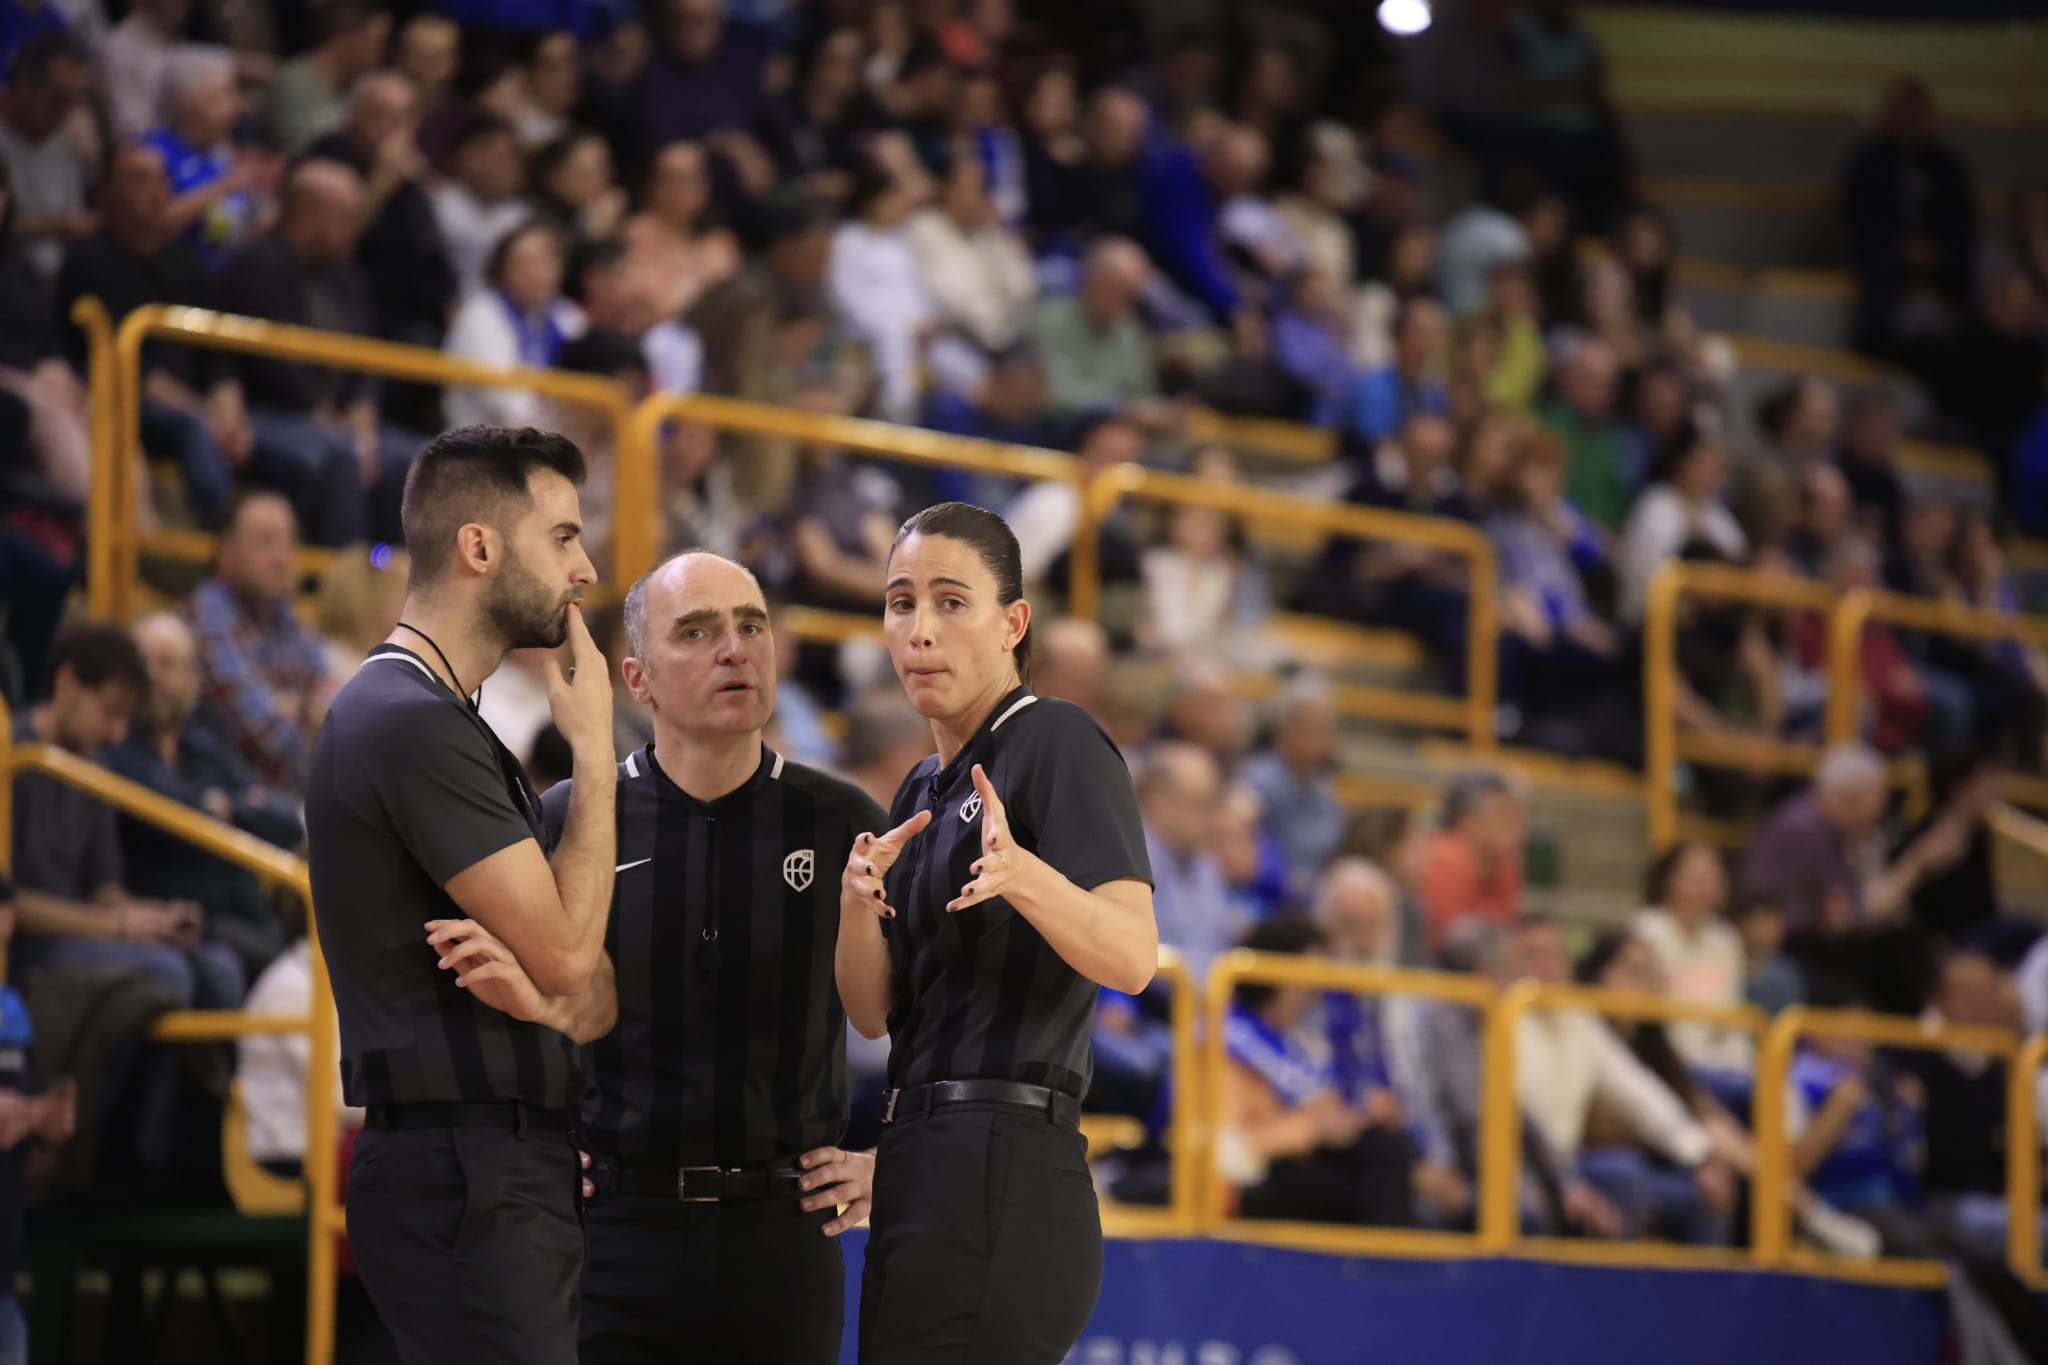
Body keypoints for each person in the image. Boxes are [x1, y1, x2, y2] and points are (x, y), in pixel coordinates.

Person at [436, 551, 887, 1362]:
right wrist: (526, 1145)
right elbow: (487, 1006)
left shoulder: (842, 818)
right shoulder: (570, 818)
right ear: (637, 680)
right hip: (610, 1227)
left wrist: (889, 1160)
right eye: (699, 630)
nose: (735, 648)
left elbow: (930, 1012)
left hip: (782, 1234)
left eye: (752, 626)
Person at [304, 425, 619, 1365]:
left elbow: (589, 996)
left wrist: (558, 992)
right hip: (463, 1169)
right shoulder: (406, 721)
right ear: (478, 546)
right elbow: (571, 958)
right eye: (563, 536)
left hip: (493, 1167)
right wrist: (595, 755)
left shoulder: (441, 719)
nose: (588, 569)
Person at [839, 502, 1156, 1363]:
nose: (920, 629)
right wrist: (855, 904)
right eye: (901, 603)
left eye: (951, 601)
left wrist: (1028, 877)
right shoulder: (916, 791)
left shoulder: (1056, 738)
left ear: (1013, 622)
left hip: (1006, 1162)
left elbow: (1131, 956)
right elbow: (874, 1015)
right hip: (918, 1159)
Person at [10, 623, 246, 1007]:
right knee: (166, 973)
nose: (118, 734)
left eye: (126, 720)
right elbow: (11, 902)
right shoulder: (13, 758)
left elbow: (105, 888)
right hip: (29, 947)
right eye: (110, 713)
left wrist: (153, 918)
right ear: (67, 682)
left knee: (221, 968)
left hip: (85, 934)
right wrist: (115, 926)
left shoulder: (96, 767)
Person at [107, 613, 300, 982]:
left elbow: (283, 818)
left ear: (193, 680)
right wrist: (223, 809)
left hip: (239, 916)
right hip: (168, 915)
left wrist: (226, 808)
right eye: (141, 662)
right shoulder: (112, 747)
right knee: (235, 972)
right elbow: (166, 828)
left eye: (165, 664)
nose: (151, 676)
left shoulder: (205, 745)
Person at [180, 490, 331, 797]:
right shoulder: (206, 618)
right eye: (265, 542)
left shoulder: (283, 615)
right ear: (225, 549)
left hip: (295, 804)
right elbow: (265, 735)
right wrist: (307, 710)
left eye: (288, 543)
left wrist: (292, 707)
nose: (281, 559)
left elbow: (339, 705)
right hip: (236, 808)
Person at [443, 220, 576, 429]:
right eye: (522, 263)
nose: (534, 272)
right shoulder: (480, 315)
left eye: (543, 261)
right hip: (479, 450)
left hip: (542, 446)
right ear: (501, 270)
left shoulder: (564, 315)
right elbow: (509, 405)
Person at [0, 32, 94, 280]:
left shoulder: (64, 139)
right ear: (24, 83)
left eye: (74, 101)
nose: (66, 114)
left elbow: (74, 221)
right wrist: (53, 227)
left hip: (61, 280)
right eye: (58, 99)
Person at [259, 1, 390, 158]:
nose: (380, 53)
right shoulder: (295, 83)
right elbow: (300, 154)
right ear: (348, 36)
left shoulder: (358, 86)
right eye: (376, 41)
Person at [1418, 770, 1527, 949]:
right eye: (1504, 815)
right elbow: (1445, 942)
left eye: (1518, 816)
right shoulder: (1446, 856)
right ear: (1468, 820)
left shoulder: (1507, 864)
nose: (1518, 827)